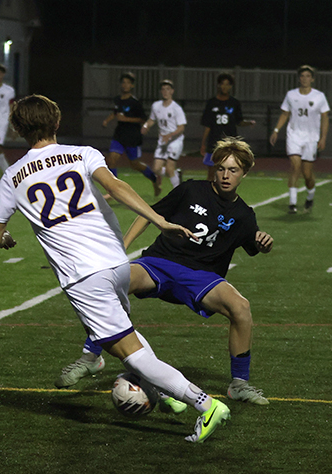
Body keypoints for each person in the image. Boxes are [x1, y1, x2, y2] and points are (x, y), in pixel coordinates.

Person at [0, 94, 231, 444]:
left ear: (17, 129)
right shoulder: (82, 153)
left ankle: (205, 405)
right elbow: (116, 186)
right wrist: (159, 221)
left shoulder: (12, 176)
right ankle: (168, 395)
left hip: (84, 276)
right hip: (117, 263)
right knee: (126, 337)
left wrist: (7, 239)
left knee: (130, 352)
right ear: (56, 122)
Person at [56, 137, 273, 408]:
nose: (225, 175)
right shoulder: (191, 190)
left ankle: (239, 384)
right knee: (109, 283)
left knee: (240, 307)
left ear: (244, 173)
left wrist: (264, 243)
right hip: (159, 263)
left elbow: (255, 245)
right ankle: (91, 357)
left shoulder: (244, 215)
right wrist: (121, 249)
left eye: (233, 170)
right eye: (221, 169)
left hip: (202, 276)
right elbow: (148, 214)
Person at [269, 65, 330, 214]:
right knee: (295, 166)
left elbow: (325, 117)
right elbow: (285, 114)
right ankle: (292, 203)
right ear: (299, 78)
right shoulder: (291, 95)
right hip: (294, 135)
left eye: (308, 76)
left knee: (307, 174)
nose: (305, 79)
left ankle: (310, 196)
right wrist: (276, 130)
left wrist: (323, 137)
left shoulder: (319, 96)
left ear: (312, 79)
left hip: (311, 138)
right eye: (302, 76)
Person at [102, 72, 162, 196]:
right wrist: (107, 120)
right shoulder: (118, 99)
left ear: (132, 86)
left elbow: (142, 119)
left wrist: (126, 119)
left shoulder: (135, 102)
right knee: (111, 160)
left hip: (132, 137)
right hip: (119, 135)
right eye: (123, 82)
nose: (125, 85)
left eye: (128, 83)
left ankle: (154, 179)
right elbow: (116, 112)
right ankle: (114, 190)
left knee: (135, 164)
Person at [200, 73, 255, 181]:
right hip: (214, 142)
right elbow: (207, 125)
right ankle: (208, 192)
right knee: (211, 173)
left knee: (228, 172)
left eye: (228, 84)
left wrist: (249, 123)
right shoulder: (211, 103)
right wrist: (203, 143)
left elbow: (239, 121)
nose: (225, 87)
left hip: (230, 143)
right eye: (223, 84)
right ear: (219, 85)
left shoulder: (234, 103)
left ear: (231, 87)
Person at [142, 79, 186, 190]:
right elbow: (152, 119)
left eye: (168, 89)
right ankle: (177, 175)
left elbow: (181, 127)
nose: (165, 91)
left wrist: (170, 135)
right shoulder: (156, 106)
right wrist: (146, 126)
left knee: (170, 168)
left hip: (175, 141)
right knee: (156, 169)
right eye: (163, 89)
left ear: (172, 91)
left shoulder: (176, 108)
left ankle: (178, 191)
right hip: (163, 141)